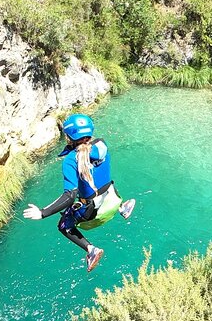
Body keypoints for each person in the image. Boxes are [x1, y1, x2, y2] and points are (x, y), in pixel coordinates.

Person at [22, 114, 136, 272]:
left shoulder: (71, 160)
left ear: (68, 137)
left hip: (91, 209)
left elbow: (70, 196)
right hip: (111, 196)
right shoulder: (101, 145)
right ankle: (123, 208)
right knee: (104, 180)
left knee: (63, 225)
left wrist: (43, 213)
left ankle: (92, 250)